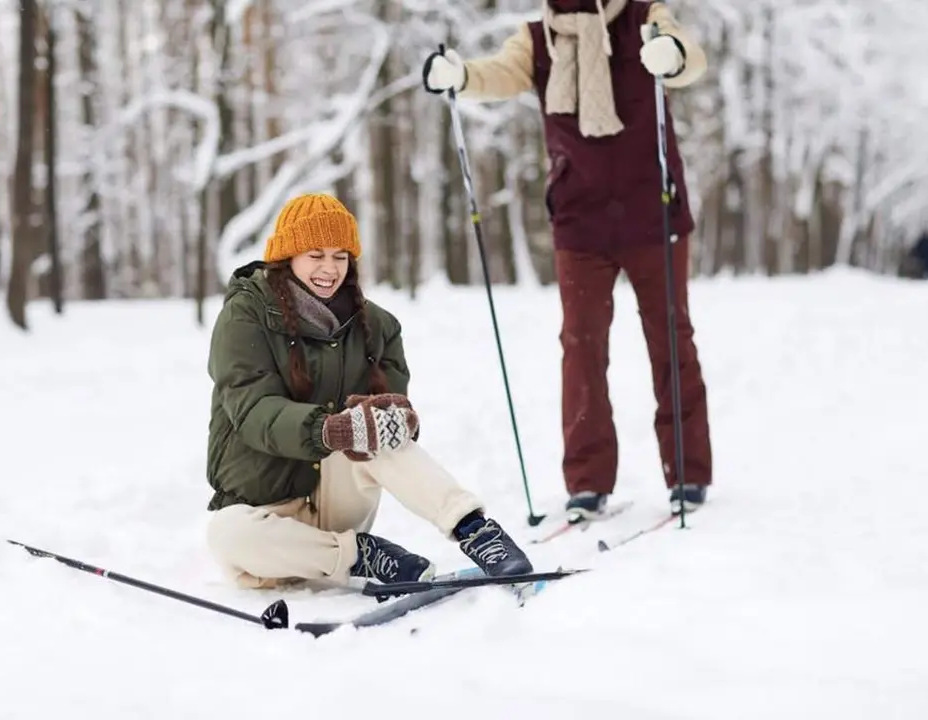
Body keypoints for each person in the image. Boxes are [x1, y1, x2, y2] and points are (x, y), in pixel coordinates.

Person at [421, 0, 713, 519]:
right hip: (581, 219)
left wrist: (670, 54)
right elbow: (500, 73)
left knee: (671, 337)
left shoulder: (643, 16)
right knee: (580, 348)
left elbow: (691, 58)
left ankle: (688, 472)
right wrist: (461, 75)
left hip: (652, 212)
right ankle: (587, 480)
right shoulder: (538, 38)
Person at [203, 193, 534, 590]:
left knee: (378, 431)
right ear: (288, 255)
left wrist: (398, 418)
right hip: (266, 516)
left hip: (336, 502)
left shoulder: (377, 327)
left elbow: (389, 418)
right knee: (225, 534)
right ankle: (362, 555)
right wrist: (331, 430)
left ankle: (476, 531)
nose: (329, 269)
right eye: (316, 255)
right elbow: (254, 410)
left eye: (340, 256)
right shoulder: (245, 315)